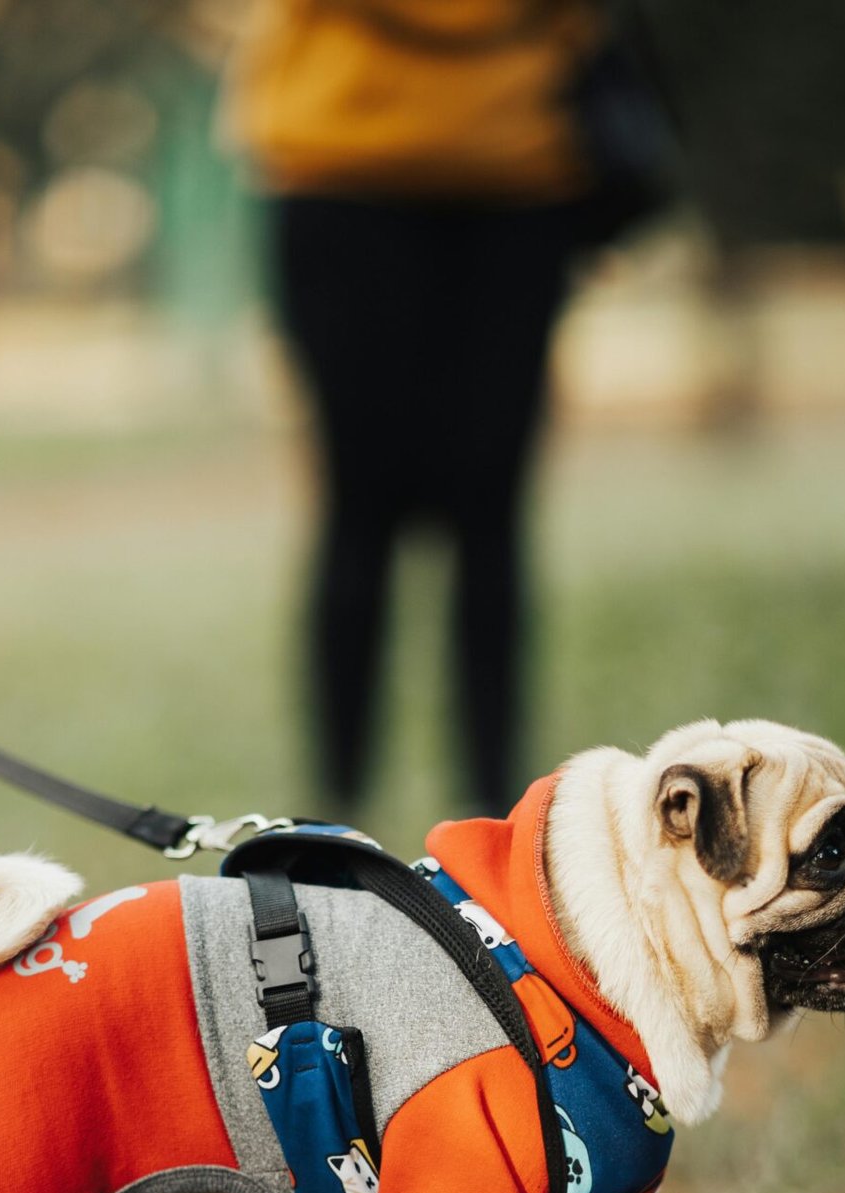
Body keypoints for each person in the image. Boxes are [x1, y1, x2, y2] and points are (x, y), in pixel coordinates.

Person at [231, 0, 648, 818]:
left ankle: (338, 819)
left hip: (355, 159)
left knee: (360, 518)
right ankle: (489, 815)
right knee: (487, 525)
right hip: (499, 169)